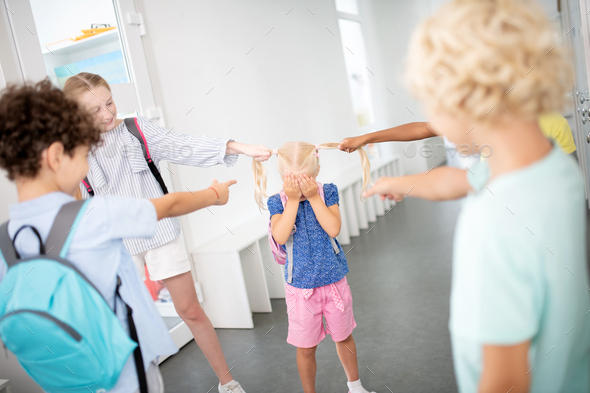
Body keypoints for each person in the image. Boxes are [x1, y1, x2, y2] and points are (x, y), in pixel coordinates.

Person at [364, 1, 590, 392]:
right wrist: (397, 184)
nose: (432, 119)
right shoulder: (552, 167)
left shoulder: (492, 222)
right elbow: (459, 180)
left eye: (432, 102)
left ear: (467, 99)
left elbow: (503, 382)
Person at [0, 79, 237, 392]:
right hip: (125, 374)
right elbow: (169, 204)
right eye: (84, 154)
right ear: (58, 156)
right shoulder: (94, 215)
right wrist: (214, 194)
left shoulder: (5, 240)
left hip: (65, 380)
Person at [63, 72, 268, 393]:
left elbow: (183, 145)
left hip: (160, 232)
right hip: (115, 244)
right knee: (124, 321)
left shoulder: (136, 129)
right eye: (94, 111)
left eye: (109, 102)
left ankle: (227, 383)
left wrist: (239, 147)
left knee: (189, 310)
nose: (107, 114)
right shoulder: (70, 150)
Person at [253, 142, 375, 393]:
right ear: (282, 176)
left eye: (305, 178)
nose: (299, 184)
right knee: (305, 348)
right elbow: (281, 234)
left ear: (317, 169)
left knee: (343, 337)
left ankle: (356, 386)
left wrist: (312, 197)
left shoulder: (328, 191)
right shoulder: (278, 201)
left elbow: (333, 228)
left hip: (334, 283)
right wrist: (294, 201)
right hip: (301, 289)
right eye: (292, 179)